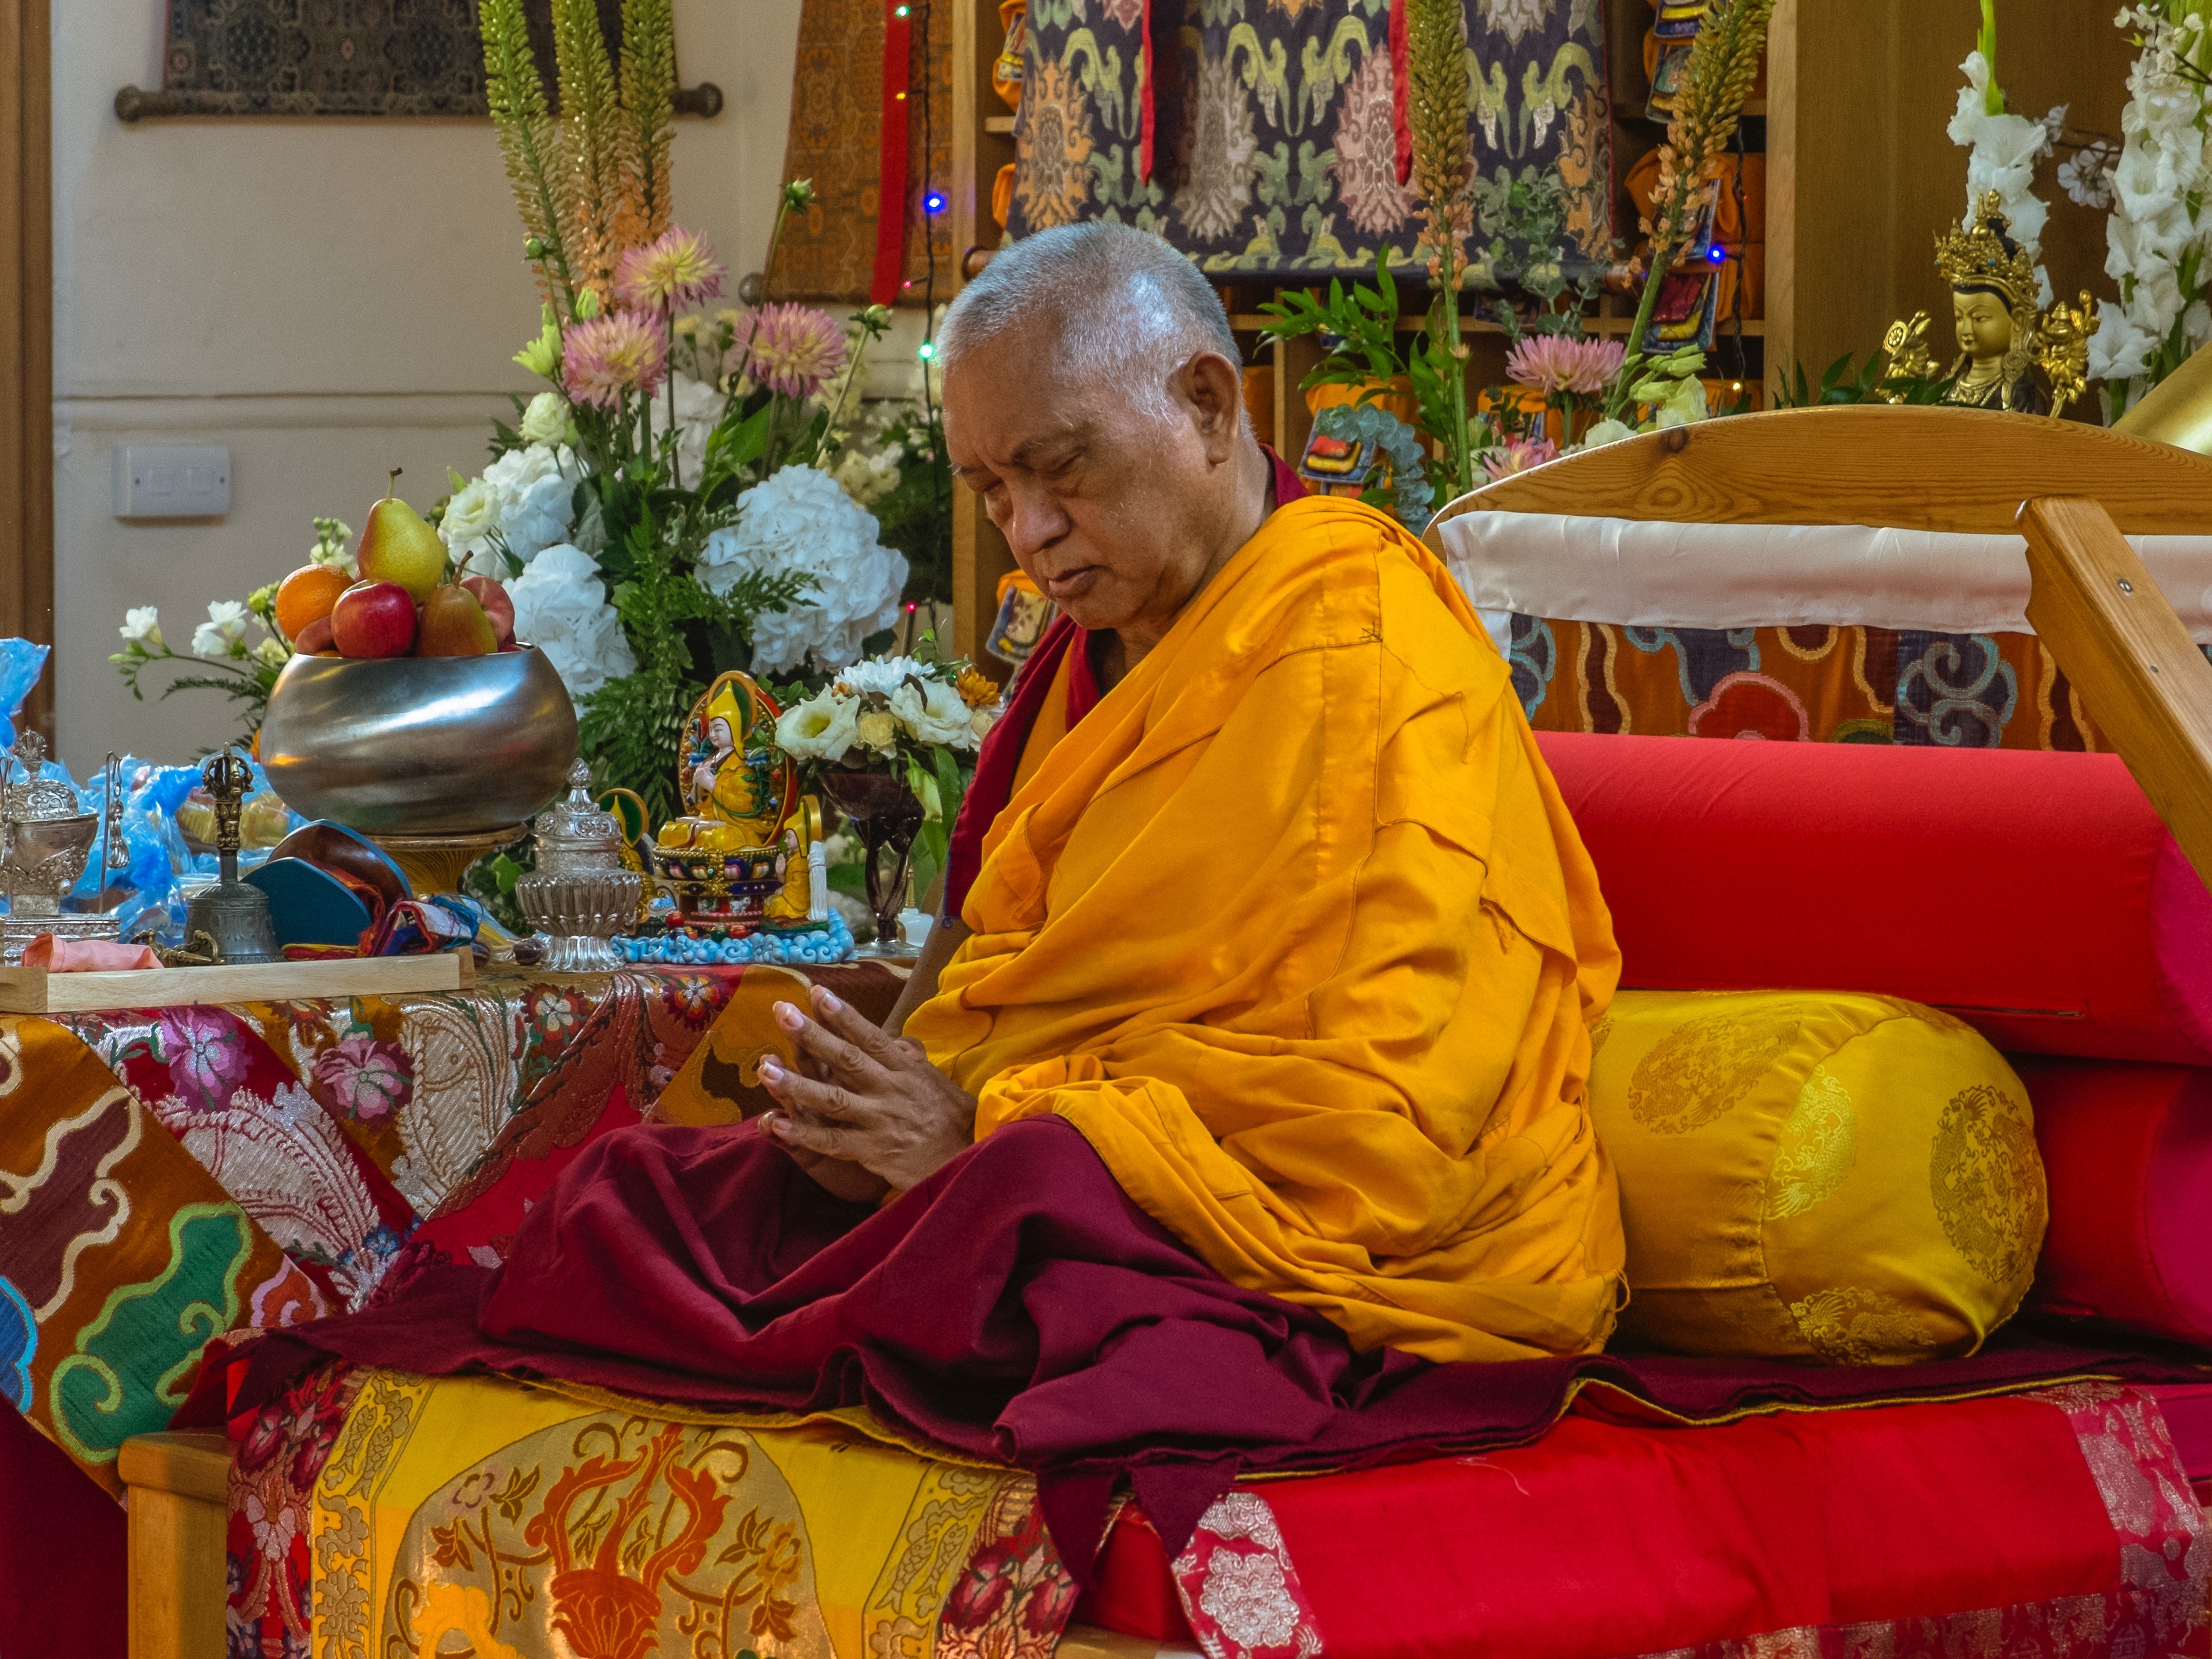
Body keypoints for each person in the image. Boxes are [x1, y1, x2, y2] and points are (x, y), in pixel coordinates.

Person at [749, 221, 1627, 1364]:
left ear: (1209, 408)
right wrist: (880, 1112)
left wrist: (986, 1137)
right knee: (632, 1206)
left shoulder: (1357, 640)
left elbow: (1372, 1128)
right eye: (990, 490)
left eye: (1059, 470)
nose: (1029, 533)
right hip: (1054, 1178)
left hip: (1292, 1260)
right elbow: (987, 936)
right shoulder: (1090, 651)